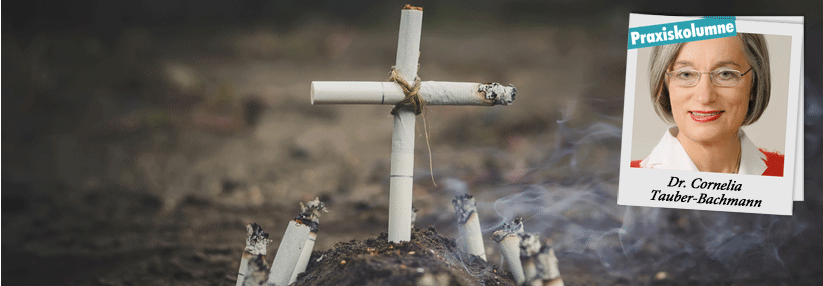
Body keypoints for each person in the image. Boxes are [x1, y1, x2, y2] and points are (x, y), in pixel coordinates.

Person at [631, 34, 784, 176]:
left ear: (754, 84)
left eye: (725, 74)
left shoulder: (789, 176)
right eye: (686, 74)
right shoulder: (626, 183)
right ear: (665, 85)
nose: (705, 97)